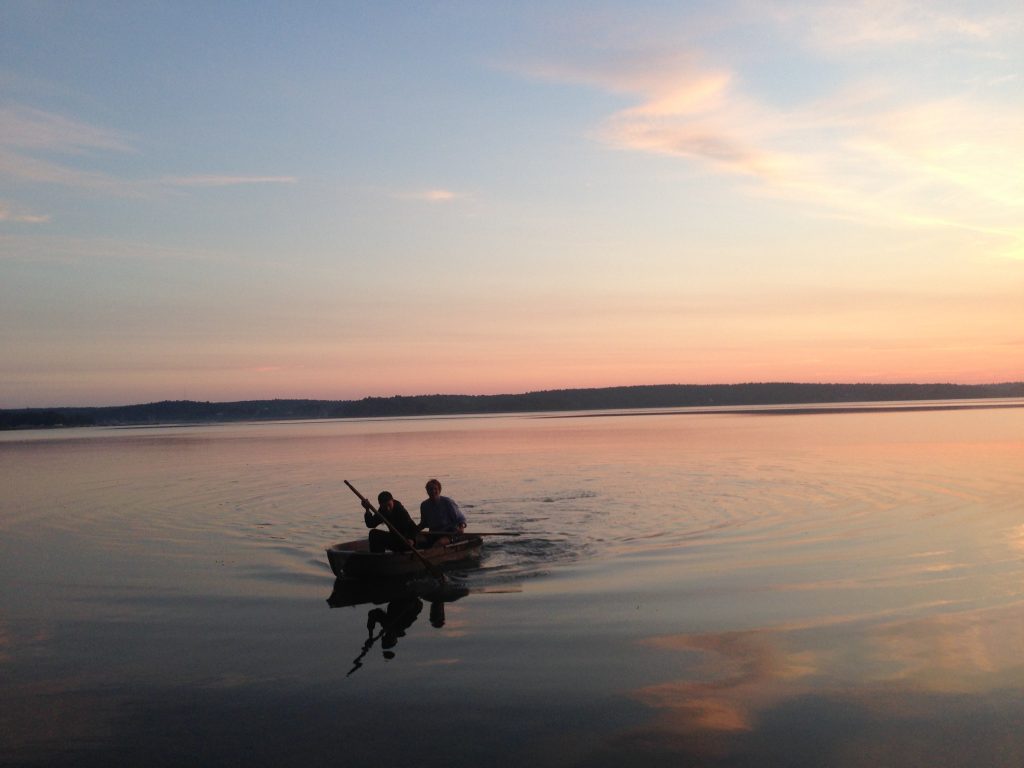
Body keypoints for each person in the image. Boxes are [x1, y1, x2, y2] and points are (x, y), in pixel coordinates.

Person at [418, 478, 466, 546]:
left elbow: (460, 519)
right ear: (427, 491)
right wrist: (413, 531)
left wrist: (461, 528)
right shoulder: (424, 505)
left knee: (439, 543)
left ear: (439, 490)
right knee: (416, 540)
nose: (433, 491)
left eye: (435, 489)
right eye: (430, 489)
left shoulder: (447, 502)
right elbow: (424, 523)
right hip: (433, 533)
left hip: (450, 534)